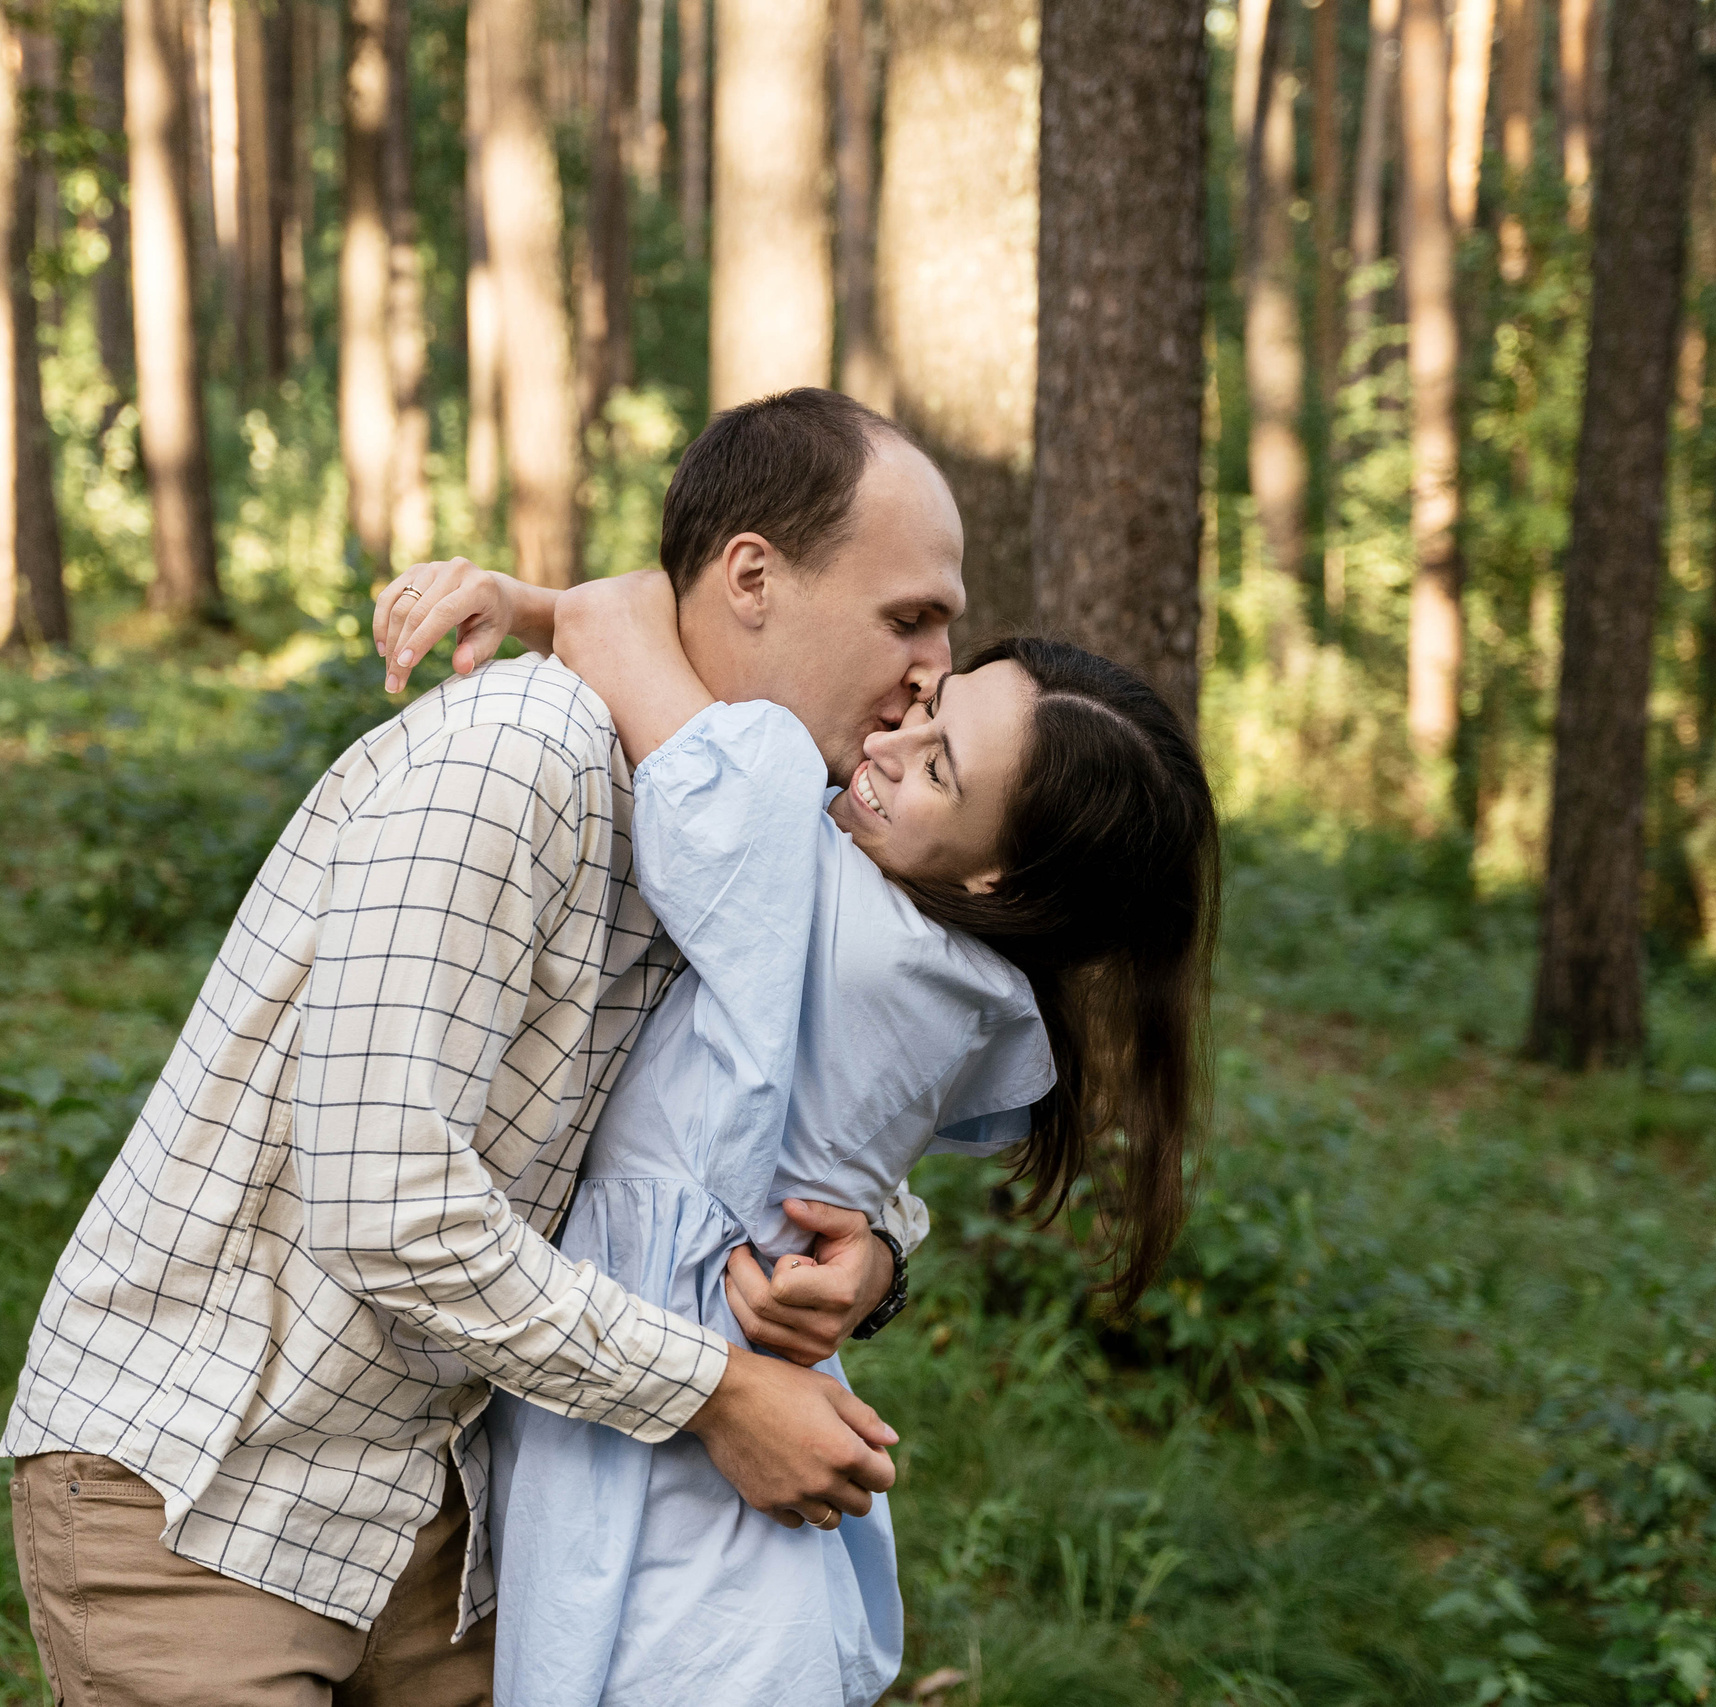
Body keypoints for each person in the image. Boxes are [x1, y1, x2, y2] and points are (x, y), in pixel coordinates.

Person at [0, 389, 968, 1707]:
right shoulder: (514, 765)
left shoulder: (754, 827)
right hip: (211, 1473)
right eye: (908, 615)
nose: (936, 668)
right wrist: (714, 1393)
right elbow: (388, 1202)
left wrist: (880, 1247)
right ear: (753, 575)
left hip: (452, 1499)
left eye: (948, 625)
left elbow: (782, 1081)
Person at [368, 564, 1218, 1707]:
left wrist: (519, 602)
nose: (884, 746)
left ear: (995, 869)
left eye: (935, 768)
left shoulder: (818, 896)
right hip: (711, 1448)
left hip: (682, 1484)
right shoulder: (955, 975)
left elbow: (615, 619)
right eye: (926, 706)